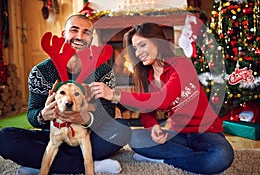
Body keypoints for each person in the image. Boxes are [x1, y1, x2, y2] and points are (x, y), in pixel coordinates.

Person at [94, 22, 234, 174]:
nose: (138, 52)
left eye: (142, 45)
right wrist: (153, 126)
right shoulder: (147, 77)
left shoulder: (182, 65)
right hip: (176, 134)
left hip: (207, 132)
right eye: (135, 48)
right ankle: (200, 161)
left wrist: (114, 94)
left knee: (222, 156)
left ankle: (163, 159)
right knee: (135, 137)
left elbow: (162, 99)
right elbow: (147, 112)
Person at [0, 14, 132, 174]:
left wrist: (86, 118)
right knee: (4, 138)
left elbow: (108, 113)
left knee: (123, 130)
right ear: (64, 34)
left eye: (86, 32)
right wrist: (43, 115)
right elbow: (32, 115)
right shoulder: (40, 72)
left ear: (91, 38)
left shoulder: (104, 72)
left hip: (87, 136)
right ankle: (88, 165)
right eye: (74, 30)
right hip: (54, 135)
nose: (80, 36)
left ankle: (43, 163)